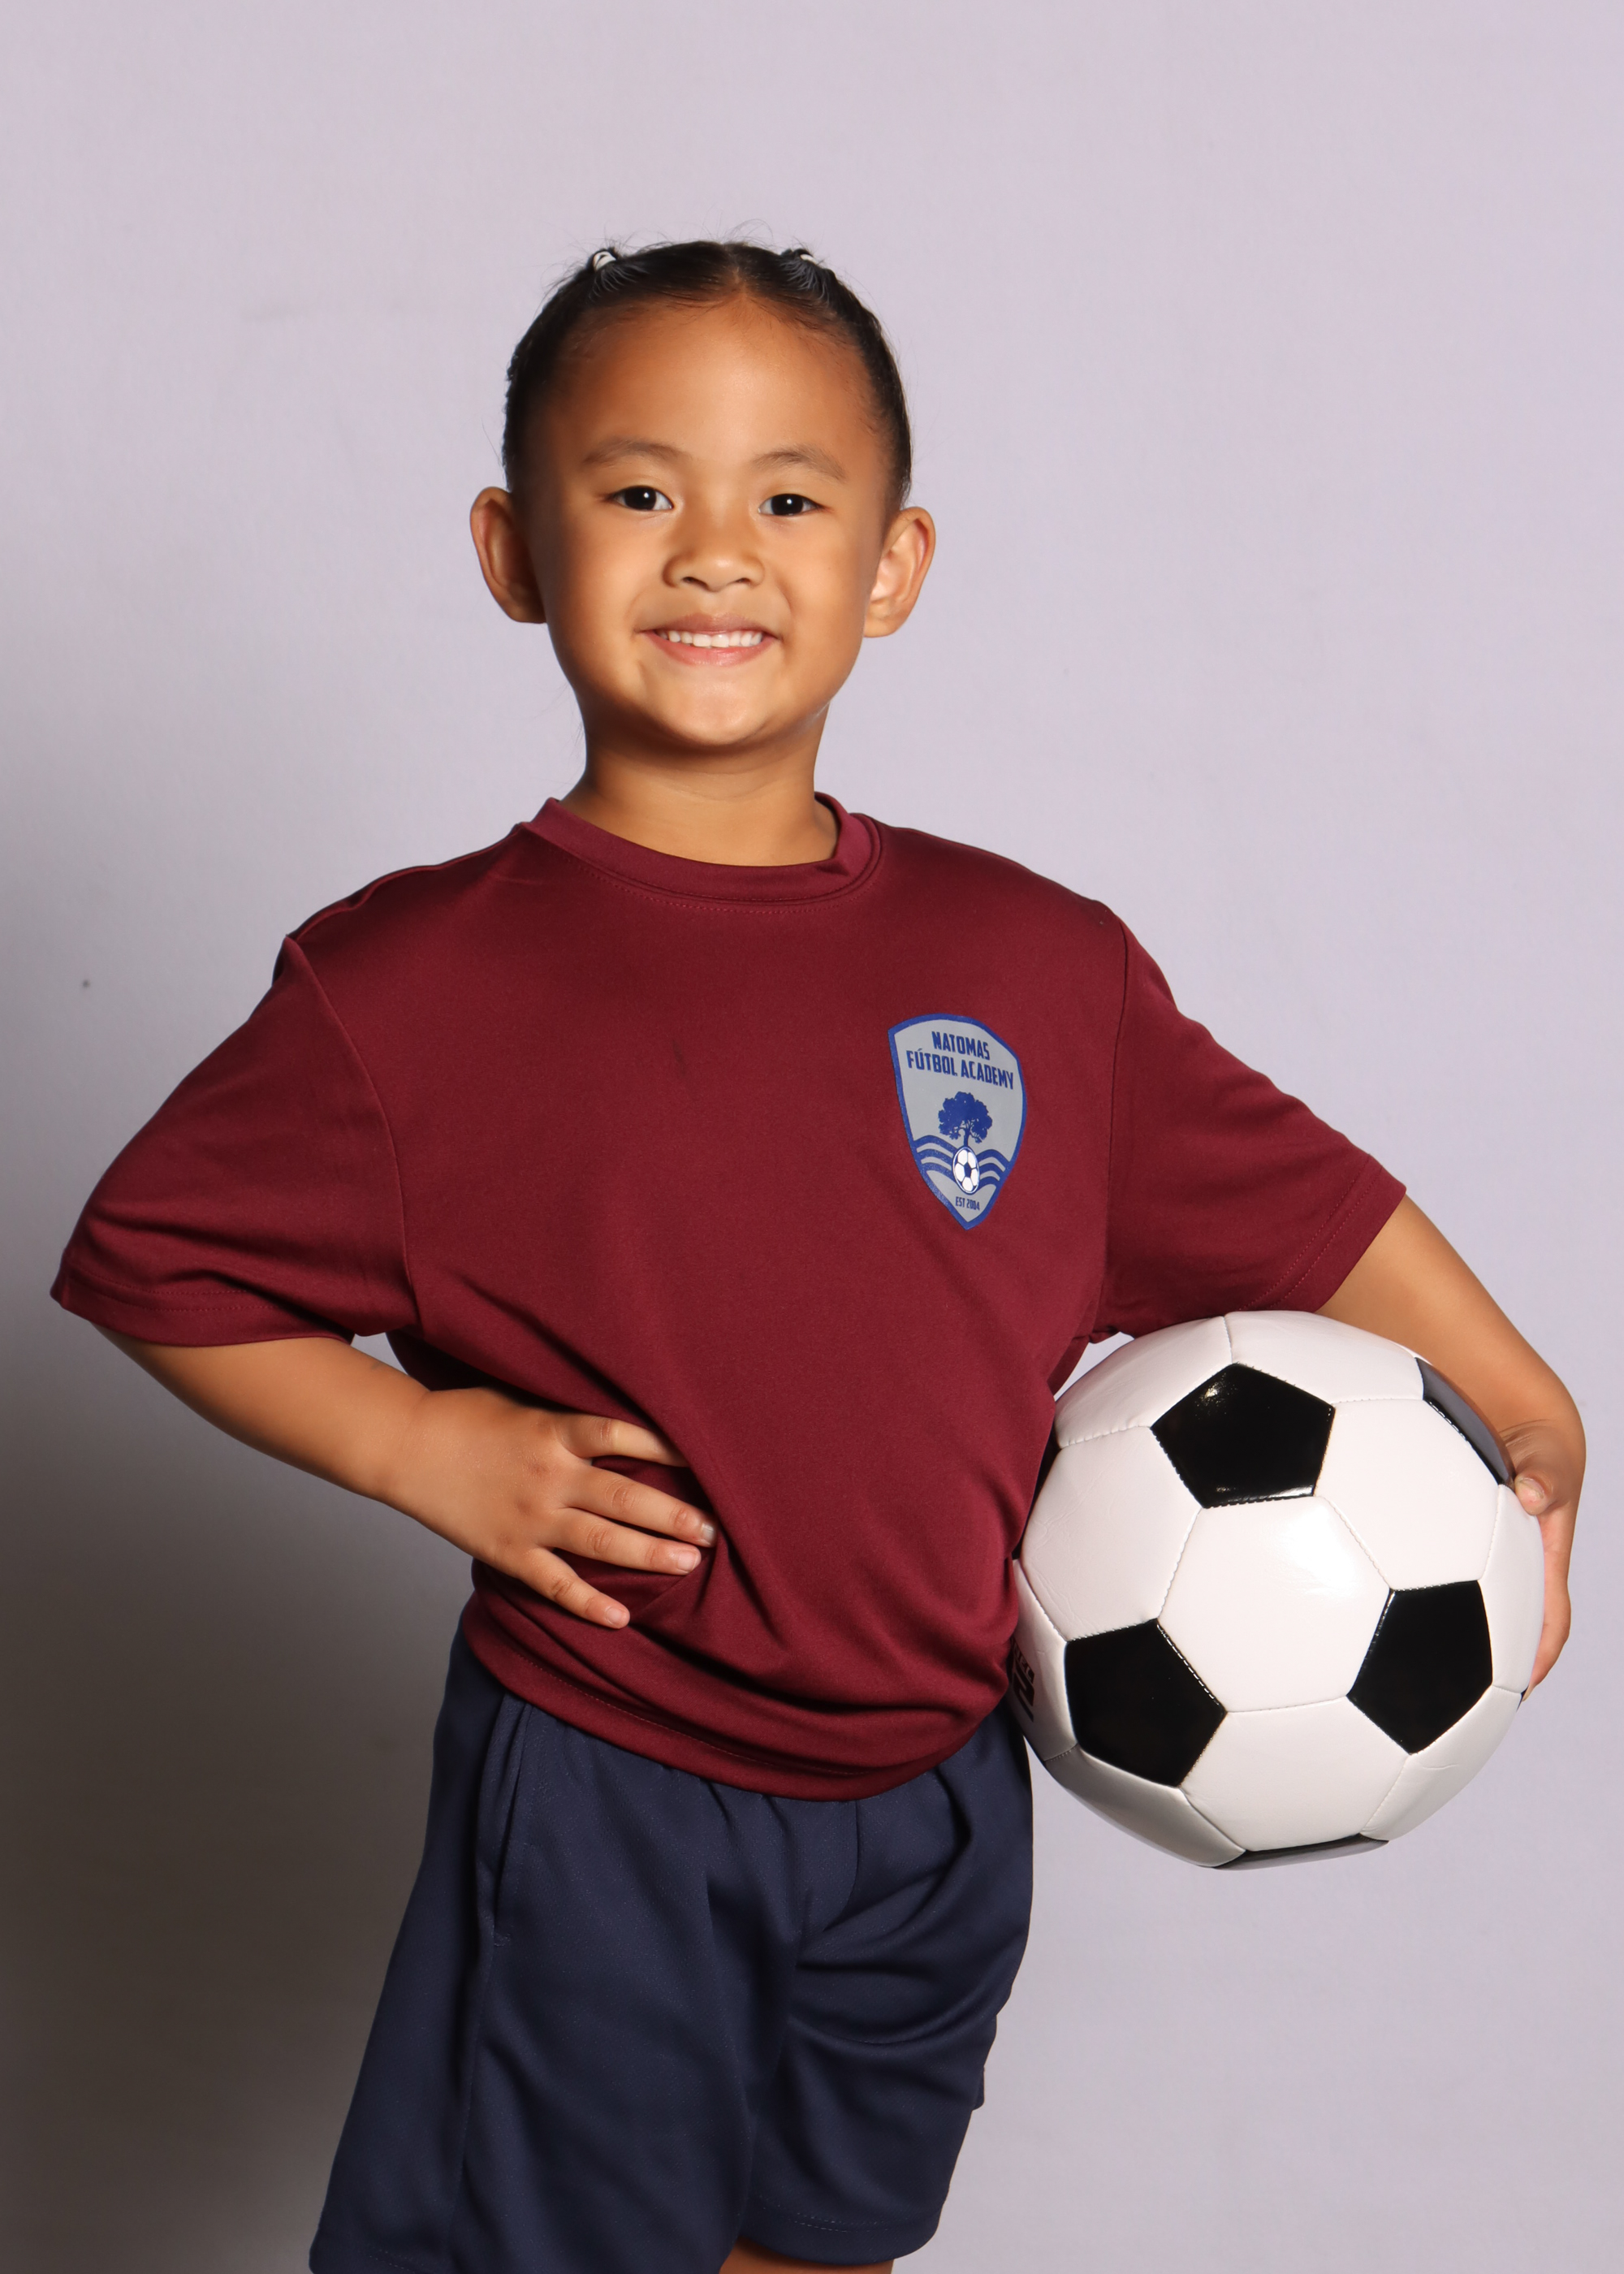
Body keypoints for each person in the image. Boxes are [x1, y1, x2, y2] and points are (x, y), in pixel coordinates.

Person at [50, 241, 1583, 2274]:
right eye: (637, 489)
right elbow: (157, 1258)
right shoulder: (409, 986)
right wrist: (429, 1453)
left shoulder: (1030, 962)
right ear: (511, 551)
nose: (715, 548)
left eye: (789, 495)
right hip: (616, 1778)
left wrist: (1533, 1411)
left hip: (938, 1793)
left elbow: (1305, 1209)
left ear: (891, 566)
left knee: (822, 2241)